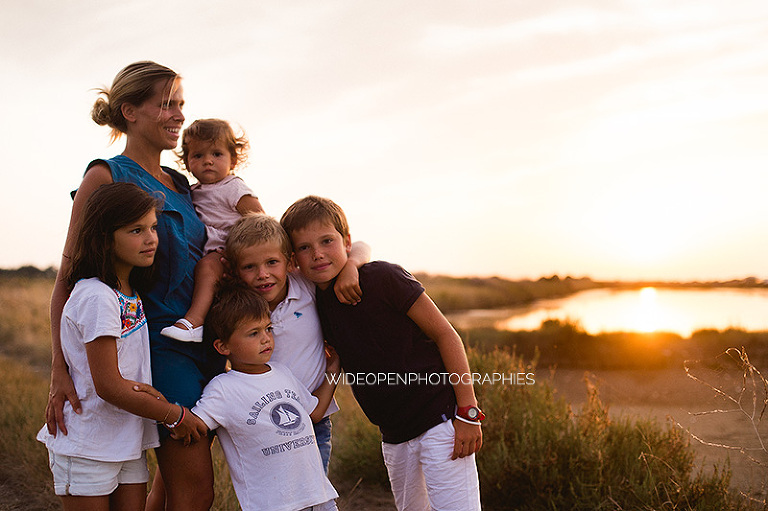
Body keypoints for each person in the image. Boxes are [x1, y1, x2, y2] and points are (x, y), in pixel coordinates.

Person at [45, 61, 224, 510]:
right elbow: (68, 277)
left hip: (204, 343)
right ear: (130, 111)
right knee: (195, 490)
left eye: (181, 104)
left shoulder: (183, 185)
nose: (179, 116)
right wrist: (58, 369)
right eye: (166, 105)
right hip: (158, 345)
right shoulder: (106, 175)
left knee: (172, 482)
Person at [281, 196, 484, 511]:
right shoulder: (314, 304)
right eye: (305, 248)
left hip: (440, 420)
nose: (318, 253)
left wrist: (468, 412)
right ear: (294, 258)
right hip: (393, 435)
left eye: (326, 241)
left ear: (345, 242)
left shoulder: (382, 277)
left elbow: (446, 335)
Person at [37, 182, 208, 511]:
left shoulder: (128, 290)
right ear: (105, 236)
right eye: (136, 230)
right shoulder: (97, 295)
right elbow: (108, 385)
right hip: (88, 446)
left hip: (126, 441)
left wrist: (147, 393)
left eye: (153, 227)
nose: (151, 238)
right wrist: (174, 415)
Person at [224, 213, 370, 473]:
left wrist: (351, 266)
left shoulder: (306, 285)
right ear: (236, 271)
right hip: (265, 424)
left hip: (317, 420)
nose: (262, 274)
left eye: (272, 262)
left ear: (290, 262)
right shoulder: (238, 308)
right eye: (249, 267)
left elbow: (360, 246)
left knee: (314, 494)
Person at [191, 280, 340, 511]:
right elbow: (195, 425)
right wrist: (163, 408)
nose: (265, 338)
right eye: (253, 333)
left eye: (268, 329)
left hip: (320, 498)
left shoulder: (283, 373)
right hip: (273, 505)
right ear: (223, 347)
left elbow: (316, 412)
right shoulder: (222, 388)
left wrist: (332, 372)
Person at [161, 119, 264, 343]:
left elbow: (261, 223)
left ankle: (193, 322)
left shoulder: (233, 187)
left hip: (232, 251)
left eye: (217, 154)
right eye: (198, 156)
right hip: (216, 253)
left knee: (207, 267)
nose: (207, 161)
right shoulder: (191, 192)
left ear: (233, 160)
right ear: (187, 163)